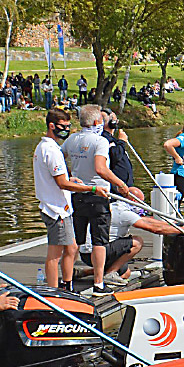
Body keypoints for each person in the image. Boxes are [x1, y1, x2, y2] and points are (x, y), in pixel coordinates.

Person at [63, 104, 130, 291]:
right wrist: (121, 184)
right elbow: (101, 169)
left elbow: (59, 159)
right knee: (99, 241)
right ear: (95, 122)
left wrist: (68, 176)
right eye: (101, 120)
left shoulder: (72, 139)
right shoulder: (99, 141)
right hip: (98, 195)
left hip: (78, 194)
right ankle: (98, 284)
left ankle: (67, 283)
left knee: (76, 240)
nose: (103, 123)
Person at [34, 107, 98, 291]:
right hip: (56, 210)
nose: (66, 130)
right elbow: (62, 183)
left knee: (72, 248)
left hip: (62, 207)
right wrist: (90, 188)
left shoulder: (49, 147)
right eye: (63, 126)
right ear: (52, 125)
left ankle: (67, 285)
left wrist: (72, 180)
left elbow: (58, 178)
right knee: (55, 255)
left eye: (69, 126)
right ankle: (53, 293)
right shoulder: (50, 150)